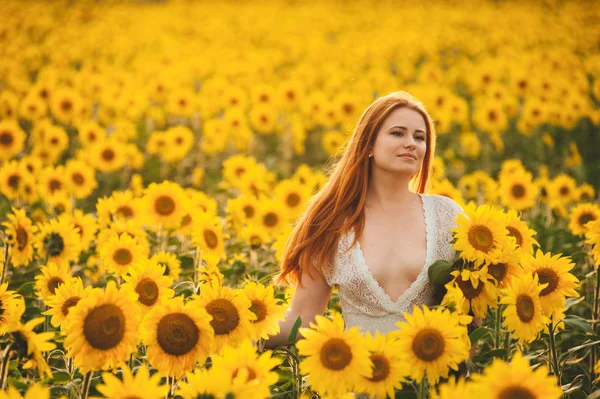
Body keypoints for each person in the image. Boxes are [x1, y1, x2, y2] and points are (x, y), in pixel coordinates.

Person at [265, 91, 464, 348]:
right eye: (397, 133)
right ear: (368, 145)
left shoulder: (448, 216)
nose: (411, 143)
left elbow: (470, 314)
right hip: (359, 378)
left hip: (431, 382)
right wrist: (235, 332)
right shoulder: (331, 222)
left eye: (420, 137)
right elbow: (303, 321)